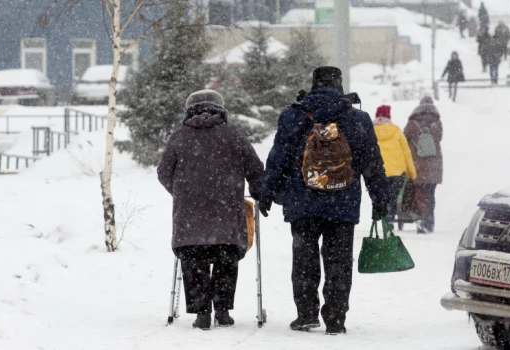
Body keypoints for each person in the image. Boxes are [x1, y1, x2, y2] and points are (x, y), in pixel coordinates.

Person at [258, 66, 389, 335]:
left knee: (304, 260)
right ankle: (335, 318)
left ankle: (306, 314)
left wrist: (267, 193)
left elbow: (278, 158)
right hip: (342, 202)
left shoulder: (293, 116)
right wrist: (380, 199)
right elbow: (372, 164)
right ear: (339, 85)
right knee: (339, 262)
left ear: (314, 84)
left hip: (303, 201)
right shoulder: (358, 118)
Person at [157, 89, 264, 330]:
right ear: (221, 108)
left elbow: (164, 172)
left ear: (189, 109)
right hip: (226, 214)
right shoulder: (233, 134)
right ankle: (223, 311)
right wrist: (258, 192)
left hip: (190, 218)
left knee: (194, 259)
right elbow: (255, 167)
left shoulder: (180, 136)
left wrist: (182, 194)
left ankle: (202, 313)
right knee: (226, 259)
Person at [373, 105, 417, 231]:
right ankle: (391, 218)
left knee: (383, 196)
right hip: (398, 171)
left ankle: (385, 218)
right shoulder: (396, 131)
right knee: (393, 197)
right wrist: (412, 173)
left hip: (379, 171)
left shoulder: (371, 132)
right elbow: (406, 153)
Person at [404, 97, 443, 234]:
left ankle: (422, 220)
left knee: (420, 194)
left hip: (417, 166)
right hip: (434, 167)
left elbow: (404, 139)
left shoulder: (412, 123)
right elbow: (438, 138)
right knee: (431, 195)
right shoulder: (437, 123)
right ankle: (429, 223)